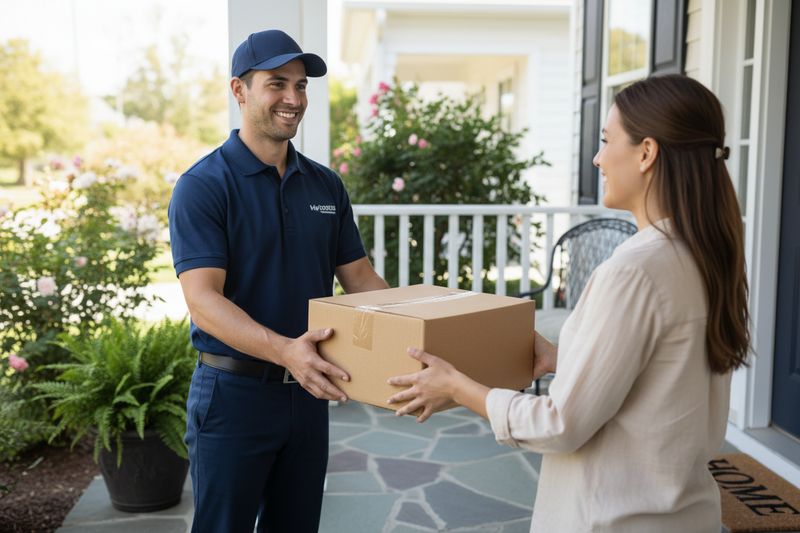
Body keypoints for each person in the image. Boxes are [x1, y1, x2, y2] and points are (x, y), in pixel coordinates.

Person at [386, 74, 749, 533]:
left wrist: (457, 387)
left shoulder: (634, 272)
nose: (597, 158)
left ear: (646, 153)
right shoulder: (706, 255)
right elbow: (664, 378)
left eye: (606, 140)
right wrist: (563, 360)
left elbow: (559, 425)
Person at [168, 29, 388, 533]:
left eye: (301, 85)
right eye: (277, 84)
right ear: (239, 90)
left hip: (308, 395)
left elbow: (360, 279)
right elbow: (203, 301)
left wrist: (421, 333)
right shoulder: (203, 186)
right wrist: (286, 350)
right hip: (234, 397)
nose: (294, 98)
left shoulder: (326, 185)